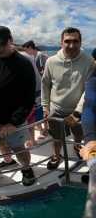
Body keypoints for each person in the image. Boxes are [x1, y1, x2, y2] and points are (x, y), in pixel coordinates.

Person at [0, 26, 37, 186]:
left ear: (10, 41)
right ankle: (8, 160)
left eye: (1, 44)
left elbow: (28, 98)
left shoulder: (24, 64)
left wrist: (13, 122)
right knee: (0, 142)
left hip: (13, 119)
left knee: (18, 147)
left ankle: (27, 169)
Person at [42, 27, 94, 169]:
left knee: (79, 135)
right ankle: (56, 155)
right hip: (56, 109)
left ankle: (77, 147)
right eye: (67, 41)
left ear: (80, 42)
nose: (71, 45)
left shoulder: (89, 62)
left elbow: (88, 90)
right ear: (61, 42)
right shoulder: (51, 62)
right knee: (56, 137)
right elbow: (45, 84)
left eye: (75, 41)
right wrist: (45, 106)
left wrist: (77, 112)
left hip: (79, 111)